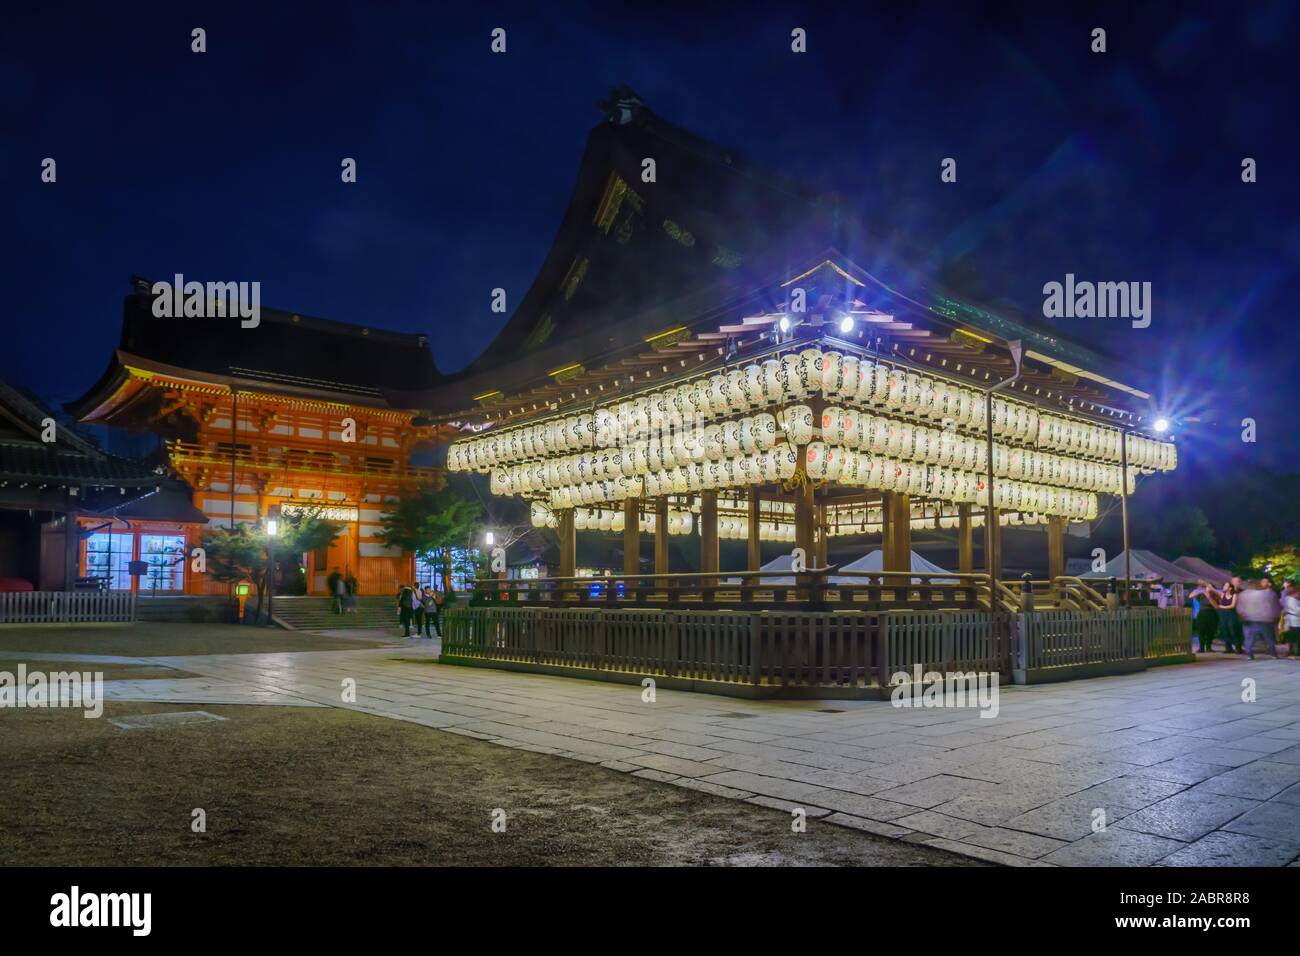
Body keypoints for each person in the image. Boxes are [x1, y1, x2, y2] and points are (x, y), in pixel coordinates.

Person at [1237, 578, 1281, 660]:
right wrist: (1275, 617)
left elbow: (1240, 608)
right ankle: (1273, 654)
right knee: (1269, 638)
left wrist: (1241, 615)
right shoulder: (1268, 594)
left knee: (1248, 638)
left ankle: (1249, 654)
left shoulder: (1243, 594)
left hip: (1248, 619)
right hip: (1264, 620)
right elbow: (1275, 607)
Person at [1211, 579, 1244, 654]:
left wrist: (1221, 607)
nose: (1224, 587)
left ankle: (1238, 648)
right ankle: (1228, 648)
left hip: (1231, 614)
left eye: (1226, 585)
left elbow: (1232, 606)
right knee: (1225, 630)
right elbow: (1214, 590)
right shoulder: (1223, 595)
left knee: (1233, 630)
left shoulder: (1234, 595)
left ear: (1230, 588)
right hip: (1223, 614)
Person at [1190, 580, 1219, 653]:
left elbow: (1216, 606)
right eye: (1207, 587)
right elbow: (1190, 596)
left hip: (1211, 613)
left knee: (1210, 631)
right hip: (1202, 613)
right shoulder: (1201, 595)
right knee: (1201, 631)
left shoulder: (1215, 595)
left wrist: (1209, 596)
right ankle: (1201, 647)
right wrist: (1200, 591)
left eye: (1209, 587)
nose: (1207, 588)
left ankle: (1208, 647)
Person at [1282, 576, 1300, 657]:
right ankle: (1295, 651)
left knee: (1292, 636)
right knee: (1295, 636)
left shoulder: (1288, 596)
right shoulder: (1291, 597)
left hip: (1292, 618)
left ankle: (1293, 651)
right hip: (1293, 619)